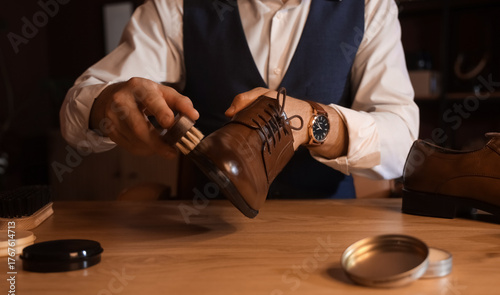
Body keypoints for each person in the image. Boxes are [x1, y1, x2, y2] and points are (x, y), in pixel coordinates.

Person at [60, 0, 419, 199]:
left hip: (326, 232)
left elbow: (404, 143)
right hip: (203, 235)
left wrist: (313, 122)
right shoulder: (176, 8)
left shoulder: (369, 8)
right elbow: (75, 111)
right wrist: (105, 103)